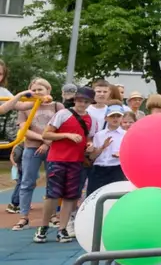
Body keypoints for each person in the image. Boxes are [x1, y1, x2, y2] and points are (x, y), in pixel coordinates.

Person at [35, 86, 94, 243]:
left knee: (70, 196)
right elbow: (46, 134)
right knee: (52, 195)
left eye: (86, 101)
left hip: (76, 161)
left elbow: (88, 137)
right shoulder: (62, 114)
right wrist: (66, 135)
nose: (82, 103)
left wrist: (89, 145)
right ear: (74, 100)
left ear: (90, 102)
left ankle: (62, 229)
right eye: (80, 100)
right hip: (57, 159)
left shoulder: (90, 118)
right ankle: (43, 227)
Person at [4, 79, 57, 230]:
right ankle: (23, 216)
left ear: (48, 90)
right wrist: (43, 139)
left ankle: (52, 215)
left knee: (52, 181)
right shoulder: (26, 107)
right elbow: (23, 129)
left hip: (51, 148)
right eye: (34, 90)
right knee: (27, 181)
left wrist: (47, 143)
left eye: (41, 89)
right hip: (31, 147)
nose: (37, 92)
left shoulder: (56, 106)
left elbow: (59, 127)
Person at [84, 105, 127, 196]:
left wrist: (122, 154)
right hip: (99, 169)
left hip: (117, 169)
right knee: (94, 196)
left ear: (122, 118)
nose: (115, 119)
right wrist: (102, 147)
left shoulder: (126, 135)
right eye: (112, 116)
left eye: (118, 116)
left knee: (115, 197)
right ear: (106, 118)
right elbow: (92, 157)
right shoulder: (99, 135)